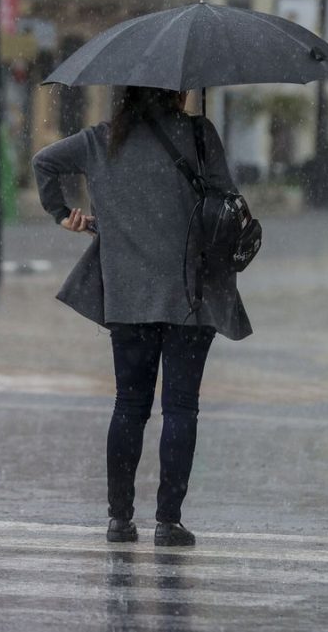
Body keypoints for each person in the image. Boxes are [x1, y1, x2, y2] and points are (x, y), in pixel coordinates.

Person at [31, 85, 251, 547]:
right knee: (181, 408)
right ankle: (168, 522)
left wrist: (64, 214)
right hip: (191, 294)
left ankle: (119, 519)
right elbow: (228, 203)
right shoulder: (198, 134)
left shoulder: (102, 139)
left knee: (129, 407)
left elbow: (44, 162)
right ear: (177, 90)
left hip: (128, 298)